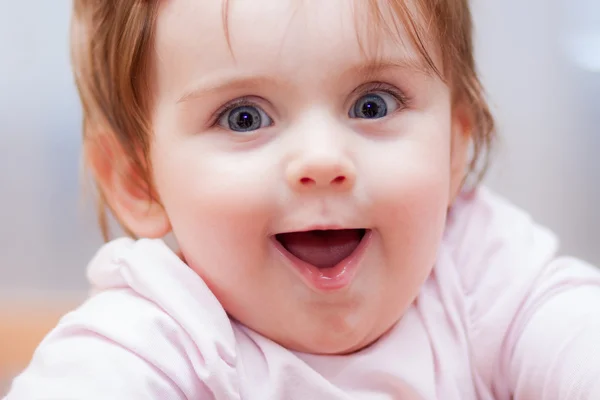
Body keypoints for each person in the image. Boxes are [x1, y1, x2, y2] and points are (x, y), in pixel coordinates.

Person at [5, 0, 600, 398]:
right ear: (139, 178)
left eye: (374, 104)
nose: (322, 161)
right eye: (243, 117)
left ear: (452, 148)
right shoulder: (160, 338)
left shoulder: (477, 270)